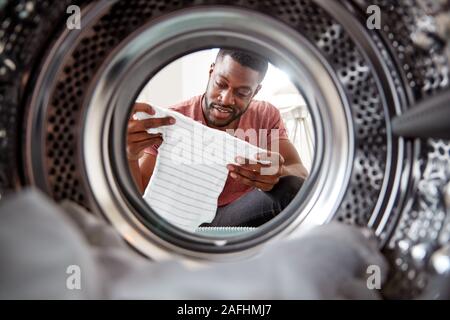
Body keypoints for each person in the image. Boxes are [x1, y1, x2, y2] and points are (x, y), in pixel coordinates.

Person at [127, 49, 308, 227]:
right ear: (211, 72)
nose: (226, 99)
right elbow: (142, 192)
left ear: (256, 91)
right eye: (221, 84)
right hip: (183, 217)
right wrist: (130, 156)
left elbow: (300, 173)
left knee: (292, 186)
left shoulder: (265, 115)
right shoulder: (173, 119)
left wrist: (277, 172)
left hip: (239, 212)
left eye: (242, 93)